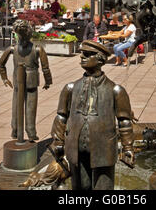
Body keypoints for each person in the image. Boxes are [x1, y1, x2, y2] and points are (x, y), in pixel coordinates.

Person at [50, 40, 135, 190]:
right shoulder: (70, 88)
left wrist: (128, 147)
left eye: (88, 54)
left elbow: (124, 121)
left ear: (101, 59)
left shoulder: (116, 91)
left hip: (103, 148)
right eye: (82, 53)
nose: (82, 56)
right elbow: (61, 117)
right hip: (76, 149)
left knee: (104, 188)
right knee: (80, 187)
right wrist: (58, 141)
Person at [0, 19, 53, 142]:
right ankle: (30, 131)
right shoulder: (38, 49)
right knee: (30, 108)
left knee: (16, 107)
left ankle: (16, 130)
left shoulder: (12, 49)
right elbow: (46, 68)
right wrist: (48, 81)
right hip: (31, 82)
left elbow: (1, 64)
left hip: (18, 81)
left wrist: (5, 78)